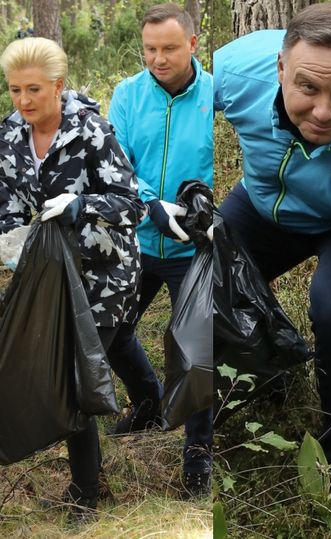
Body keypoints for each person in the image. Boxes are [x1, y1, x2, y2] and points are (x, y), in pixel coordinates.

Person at [213, 3, 331, 516]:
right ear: (279, 70)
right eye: (307, 87)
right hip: (259, 204)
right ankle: (259, 386)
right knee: (207, 283)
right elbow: (175, 105)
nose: (322, 111)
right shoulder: (236, 67)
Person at [0, 37, 144, 520]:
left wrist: (81, 205)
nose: (23, 102)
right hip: (45, 277)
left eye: (34, 90)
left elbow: (131, 205)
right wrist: (10, 242)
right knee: (105, 354)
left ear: (59, 87)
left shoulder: (92, 132)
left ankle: (87, 493)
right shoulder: (10, 136)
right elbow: (8, 208)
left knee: (73, 376)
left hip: (104, 278)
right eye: (15, 90)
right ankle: (153, 403)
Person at [107, 2, 213, 497]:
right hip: (137, 241)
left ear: (192, 44)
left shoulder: (217, 93)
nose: (158, 58)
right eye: (150, 49)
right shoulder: (127, 95)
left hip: (194, 249)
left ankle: (198, 452)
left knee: (195, 351)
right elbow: (118, 163)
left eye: (169, 48)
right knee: (111, 329)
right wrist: (150, 205)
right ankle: (147, 402)